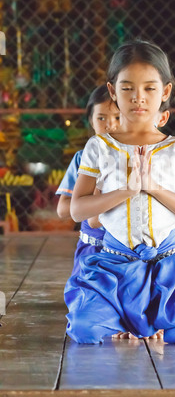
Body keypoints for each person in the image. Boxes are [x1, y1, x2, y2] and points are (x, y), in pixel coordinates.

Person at [66, 39, 175, 345]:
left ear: (165, 92)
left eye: (150, 88)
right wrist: (126, 190)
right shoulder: (98, 147)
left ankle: (151, 322)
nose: (138, 97)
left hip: (169, 266)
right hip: (112, 265)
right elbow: (77, 210)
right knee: (85, 328)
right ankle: (125, 321)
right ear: (112, 92)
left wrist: (153, 188)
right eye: (127, 88)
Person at [56, 85, 121, 277]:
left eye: (118, 117)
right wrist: (96, 199)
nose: (110, 125)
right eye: (101, 118)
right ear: (91, 122)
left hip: (129, 251)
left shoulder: (138, 158)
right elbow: (62, 210)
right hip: (93, 248)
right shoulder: (81, 159)